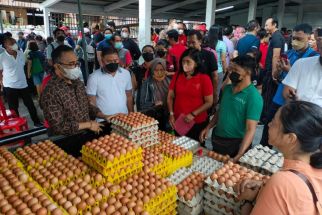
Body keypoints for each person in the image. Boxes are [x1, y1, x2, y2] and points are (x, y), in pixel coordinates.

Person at [237, 101, 322, 215]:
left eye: (274, 122)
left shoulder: (283, 182)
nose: (268, 124)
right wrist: (264, 184)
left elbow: (289, 189)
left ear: (290, 138)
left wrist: (247, 201)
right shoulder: (316, 167)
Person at [260, 23, 320, 147]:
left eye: (299, 39)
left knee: (293, 139)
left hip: (297, 105)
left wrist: (289, 70)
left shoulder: (313, 58)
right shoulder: (289, 53)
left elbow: (306, 82)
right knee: (269, 128)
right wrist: (278, 69)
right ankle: (262, 151)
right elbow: (277, 77)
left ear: (309, 39)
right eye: (293, 38)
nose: (295, 41)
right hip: (279, 99)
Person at [200, 55, 263, 161]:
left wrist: (240, 153)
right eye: (231, 69)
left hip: (235, 144)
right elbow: (221, 111)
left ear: (247, 72)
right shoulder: (227, 89)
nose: (231, 73)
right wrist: (208, 127)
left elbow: (250, 129)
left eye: (235, 70)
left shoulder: (254, 97)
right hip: (218, 139)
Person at [40, 45, 110, 136]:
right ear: (57, 66)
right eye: (71, 64)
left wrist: (104, 116)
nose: (76, 67)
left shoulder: (77, 82)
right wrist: (88, 124)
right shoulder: (51, 92)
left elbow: (87, 106)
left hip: (86, 134)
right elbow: (58, 127)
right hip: (66, 140)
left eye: (77, 63)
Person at [167, 48, 213, 141]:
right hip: (178, 120)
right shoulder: (177, 75)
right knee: (178, 147)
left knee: (195, 149)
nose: (185, 65)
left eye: (188, 62)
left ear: (196, 63)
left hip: (197, 122)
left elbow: (209, 102)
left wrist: (193, 114)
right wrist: (171, 114)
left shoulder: (204, 78)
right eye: (183, 61)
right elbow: (170, 97)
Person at [0, 37, 42, 127]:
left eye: (14, 42)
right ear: (6, 46)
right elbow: (0, 72)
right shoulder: (2, 57)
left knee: (30, 105)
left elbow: (24, 65)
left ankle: (37, 122)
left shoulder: (20, 53)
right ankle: (18, 126)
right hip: (10, 86)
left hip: (23, 84)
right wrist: (1, 84)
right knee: (14, 108)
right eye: (11, 43)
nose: (14, 44)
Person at [87, 47, 133, 118]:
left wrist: (132, 115)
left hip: (124, 118)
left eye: (115, 60)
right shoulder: (93, 77)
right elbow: (91, 102)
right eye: (109, 61)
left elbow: (129, 97)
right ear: (102, 61)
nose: (113, 63)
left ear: (119, 60)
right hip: (104, 120)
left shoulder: (126, 74)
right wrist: (103, 116)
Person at [282, 29, 322, 107]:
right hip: (295, 113)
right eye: (319, 38)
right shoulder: (301, 63)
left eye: (299, 39)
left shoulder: (310, 54)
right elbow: (286, 93)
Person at [261, 17, 285, 123]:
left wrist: (274, 74)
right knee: (266, 93)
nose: (265, 27)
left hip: (271, 71)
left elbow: (276, 56)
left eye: (267, 25)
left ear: (274, 25)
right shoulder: (274, 37)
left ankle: (265, 119)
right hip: (269, 70)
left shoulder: (277, 37)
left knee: (268, 95)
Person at [138, 58, 170, 131]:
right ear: (152, 70)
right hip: (153, 118)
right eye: (156, 70)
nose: (159, 72)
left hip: (168, 117)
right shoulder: (147, 83)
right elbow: (142, 104)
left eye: (161, 70)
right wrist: (154, 103)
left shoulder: (169, 81)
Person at [188, 30, 218, 104]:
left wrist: (214, 93)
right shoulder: (186, 55)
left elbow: (214, 76)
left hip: (205, 93)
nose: (190, 45)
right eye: (188, 42)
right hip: (189, 92)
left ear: (200, 41)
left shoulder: (209, 55)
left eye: (193, 42)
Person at [208, 25, 227, 95]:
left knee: (207, 91)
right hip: (218, 71)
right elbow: (223, 60)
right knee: (216, 91)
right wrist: (225, 70)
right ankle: (214, 105)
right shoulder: (222, 44)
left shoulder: (206, 42)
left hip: (206, 69)